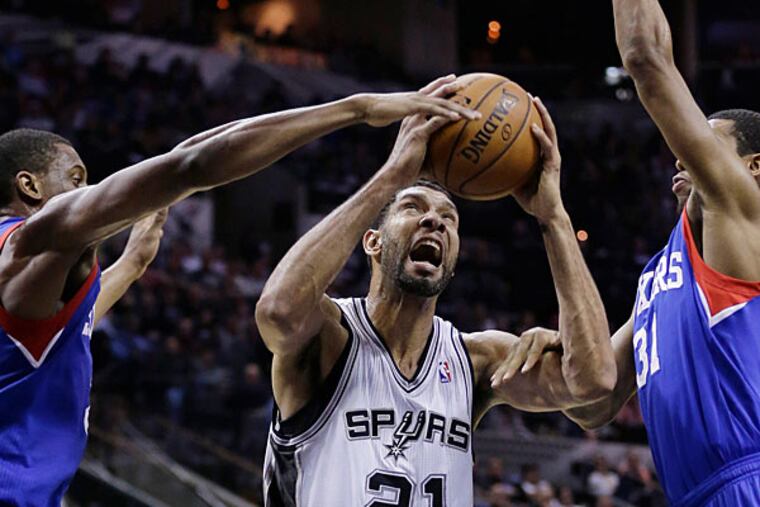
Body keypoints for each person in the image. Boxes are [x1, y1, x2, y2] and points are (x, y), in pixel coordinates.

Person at [0, 78, 477, 505]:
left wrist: (131, 265)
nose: (91, 189)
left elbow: (63, 336)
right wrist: (358, 109)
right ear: (30, 186)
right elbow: (192, 165)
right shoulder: (31, 243)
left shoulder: (31, 286)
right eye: (78, 179)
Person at [256, 77, 617, 505]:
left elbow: (593, 383)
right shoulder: (329, 338)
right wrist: (392, 176)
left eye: (449, 218)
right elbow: (277, 311)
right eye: (413, 208)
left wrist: (553, 217)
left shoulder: (477, 361)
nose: (435, 221)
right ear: (372, 242)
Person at [506, 1, 760, 505]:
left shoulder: (745, 215)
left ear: (754, 168)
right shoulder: (658, 277)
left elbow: (645, 58)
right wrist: (552, 215)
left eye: (705, 144)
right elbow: (592, 402)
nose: (681, 151)